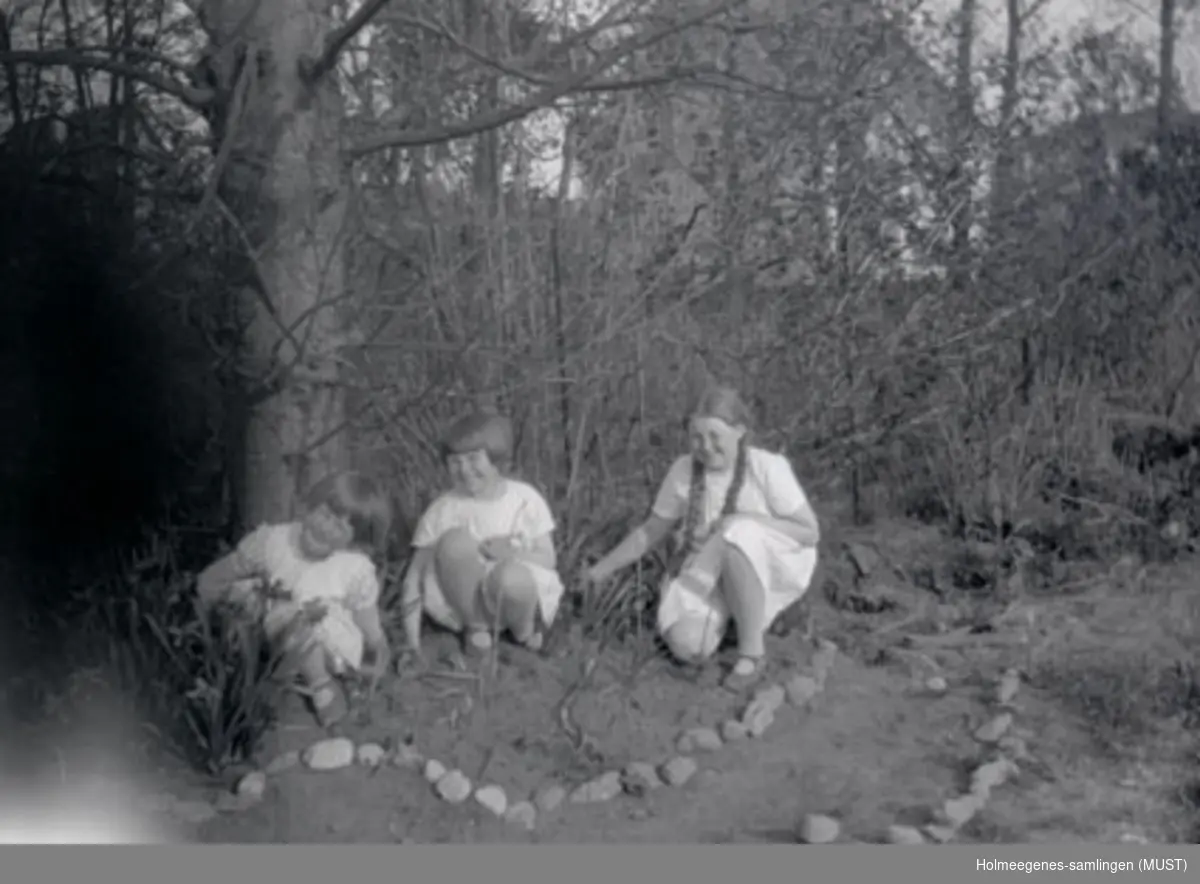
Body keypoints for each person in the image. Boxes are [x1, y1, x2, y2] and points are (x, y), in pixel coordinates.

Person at [584, 385, 820, 688]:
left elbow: (809, 532)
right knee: (688, 646)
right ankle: (728, 624)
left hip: (765, 566)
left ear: (740, 431)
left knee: (736, 533)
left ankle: (751, 652)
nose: (705, 446)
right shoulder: (683, 470)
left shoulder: (766, 467)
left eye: (715, 437)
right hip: (705, 570)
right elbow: (651, 531)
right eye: (697, 437)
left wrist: (746, 520)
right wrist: (599, 571)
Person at [194, 471, 394, 727]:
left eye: (340, 527)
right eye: (325, 514)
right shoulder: (274, 542)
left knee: (298, 616)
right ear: (308, 507)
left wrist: (375, 658)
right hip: (273, 637)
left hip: (329, 647)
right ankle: (296, 680)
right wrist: (207, 609)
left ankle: (322, 684)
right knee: (253, 594)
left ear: (354, 542)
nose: (326, 527)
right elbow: (217, 576)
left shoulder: (353, 568)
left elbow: (369, 625)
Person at [401, 410, 565, 660]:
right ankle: (477, 632)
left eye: (474, 459)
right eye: (455, 462)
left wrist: (512, 552)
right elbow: (414, 576)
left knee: (511, 576)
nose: (464, 470)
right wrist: (412, 643)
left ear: (495, 459)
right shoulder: (443, 509)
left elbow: (548, 559)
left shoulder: (524, 498)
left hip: (517, 597)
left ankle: (523, 633)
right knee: (454, 542)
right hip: (466, 602)